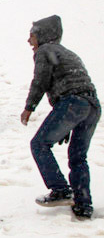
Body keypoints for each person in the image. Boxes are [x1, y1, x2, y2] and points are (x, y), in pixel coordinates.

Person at [21, 15, 98, 221]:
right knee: (78, 157)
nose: (29, 41)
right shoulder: (67, 52)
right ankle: (83, 205)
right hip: (92, 105)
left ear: (42, 35)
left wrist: (29, 107)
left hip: (73, 102)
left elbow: (40, 80)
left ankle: (61, 190)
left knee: (39, 144)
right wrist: (67, 121)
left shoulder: (45, 50)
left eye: (31, 36)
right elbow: (75, 83)